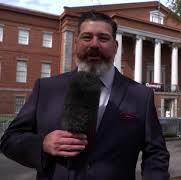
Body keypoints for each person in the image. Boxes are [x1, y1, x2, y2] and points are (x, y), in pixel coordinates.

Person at [0, 11, 170, 180]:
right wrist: (42, 144)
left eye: (103, 38)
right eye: (87, 37)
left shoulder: (141, 95)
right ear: (76, 43)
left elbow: (155, 153)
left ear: (116, 46)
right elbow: (9, 139)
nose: (94, 44)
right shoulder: (47, 88)